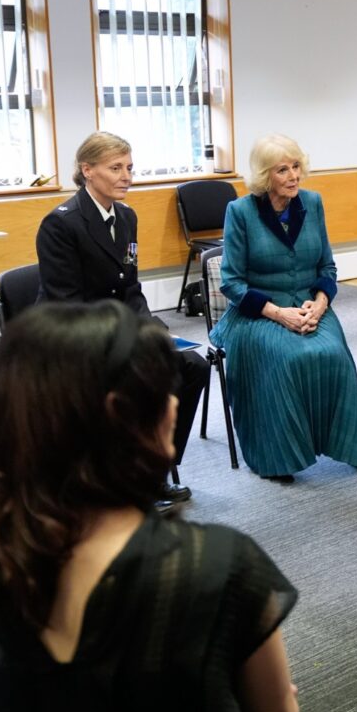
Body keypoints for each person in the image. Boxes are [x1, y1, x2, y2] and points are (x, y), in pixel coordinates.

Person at [0, 301, 299, 712]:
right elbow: (277, 706)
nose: (174, 405)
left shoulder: (10, 552)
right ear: (123, 416)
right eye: (162, 392)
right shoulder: (222, 568)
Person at [35, 131, 208, 505]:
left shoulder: (126, 216)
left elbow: (129, 287)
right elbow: (66, 306)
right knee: (133, 381)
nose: (126, 176)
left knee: (192, 366)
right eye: (116, 168)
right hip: (74, 340)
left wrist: (153, 330)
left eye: (129, 167)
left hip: (121, 331)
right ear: (87, 170)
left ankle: (154, 470)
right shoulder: (61, 224)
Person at [211, 134, 357, 482]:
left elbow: (327, 267)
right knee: (288, 358)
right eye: (282, 170)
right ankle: (278, 455)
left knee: (332, 354)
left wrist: (320, 303)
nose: (293, 176)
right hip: (258, 313)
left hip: (309, 305)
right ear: (264, 176)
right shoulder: (240, 212)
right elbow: (231, 282)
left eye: (296, 166)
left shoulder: (312, 203)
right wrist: (278, 313)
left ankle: (349, 443)